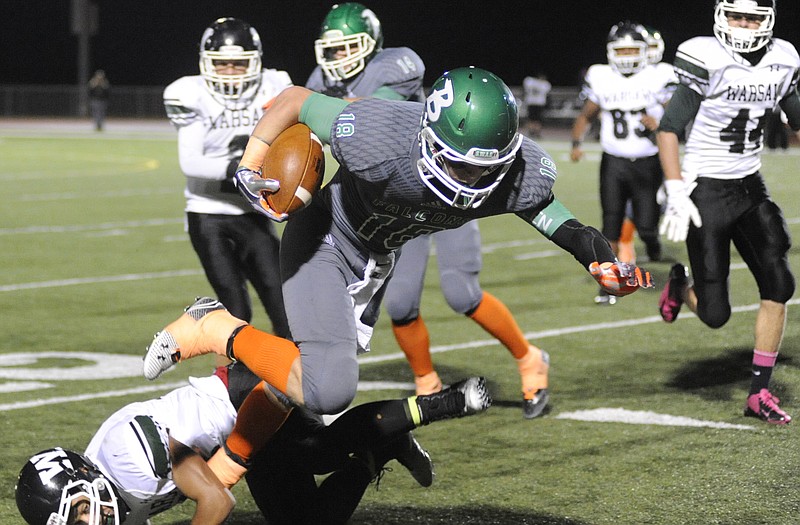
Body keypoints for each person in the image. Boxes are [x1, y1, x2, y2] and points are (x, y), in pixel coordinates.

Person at [143, 66, 653, 489]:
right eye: (456, 164)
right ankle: (211, 327)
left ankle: (228, 468)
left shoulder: (516, 173)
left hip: (376, 258)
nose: (468, 180)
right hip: (324, 239)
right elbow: (297, 99)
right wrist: (252, 162)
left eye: (482, 171)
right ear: (429, 137)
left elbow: (555, 217)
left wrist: (598, 260)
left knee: (299, 379)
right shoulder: (375, 135)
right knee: (328, 389)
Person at [306, 3, 550, 420]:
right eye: (331, 50)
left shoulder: (395, 64)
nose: (337, 58)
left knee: (461, 293)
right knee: (401, 304)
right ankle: (427, 381)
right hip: (400, 202)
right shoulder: (319, 80)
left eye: (347, 47)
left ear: (371, 45)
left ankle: (530, 358)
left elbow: (368, 113)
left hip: (452, 193)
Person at [15, 360, 490, 525]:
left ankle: (442, 403)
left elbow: (216, 501)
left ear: (86, 478)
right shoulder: (110, 492)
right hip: (234, 448)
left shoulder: (131, 457)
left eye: (80, 510)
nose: (88, 521)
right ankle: (381, 448)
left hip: (244, 400)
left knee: (319, 452)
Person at [657, 0, 800, 424]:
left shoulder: (783, 59)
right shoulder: (707, 57)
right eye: (736, 15)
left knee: (779, 281)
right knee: (715, 314)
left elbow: (797, 118)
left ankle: (759, 392)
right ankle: (680, 288)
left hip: (749, 184)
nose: (743, 24)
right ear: (721, 16)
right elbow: (669, 129)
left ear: (767, 21)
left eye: (753, 17)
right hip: (707, 189)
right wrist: (676, 188)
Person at [163, 17, 291, 350]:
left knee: (285, 309)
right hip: (209, 215)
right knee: (237, 312)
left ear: (256, 60)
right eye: (222, 64)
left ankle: (296, 391)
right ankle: (235, 393)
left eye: (239, 63)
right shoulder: (190, 93)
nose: (231, 71)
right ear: (207, 63)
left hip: (253, 215)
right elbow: (191, 162)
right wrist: (243, 168)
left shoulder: (275, 86)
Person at [570, 21, 675, 305]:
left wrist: (660, 123)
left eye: (632, 49)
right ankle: (608, 283)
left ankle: (652, 242)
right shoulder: (601, 76)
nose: (627, 55)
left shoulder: (658, 75)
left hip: (647, 161)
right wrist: (577, 143)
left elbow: (677, 118)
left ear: (644, 51)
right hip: (614, 161)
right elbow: (587, 114)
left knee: (647, 224)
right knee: (611, 222)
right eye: (622, 49)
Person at [522, 72, 551, 138]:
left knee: (532, 119)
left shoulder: (529, 82)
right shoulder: (545, 84)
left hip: (531, 102)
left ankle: (531, 132)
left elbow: (524, 90)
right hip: (538, 103)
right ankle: (535, 132)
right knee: (537, 119)